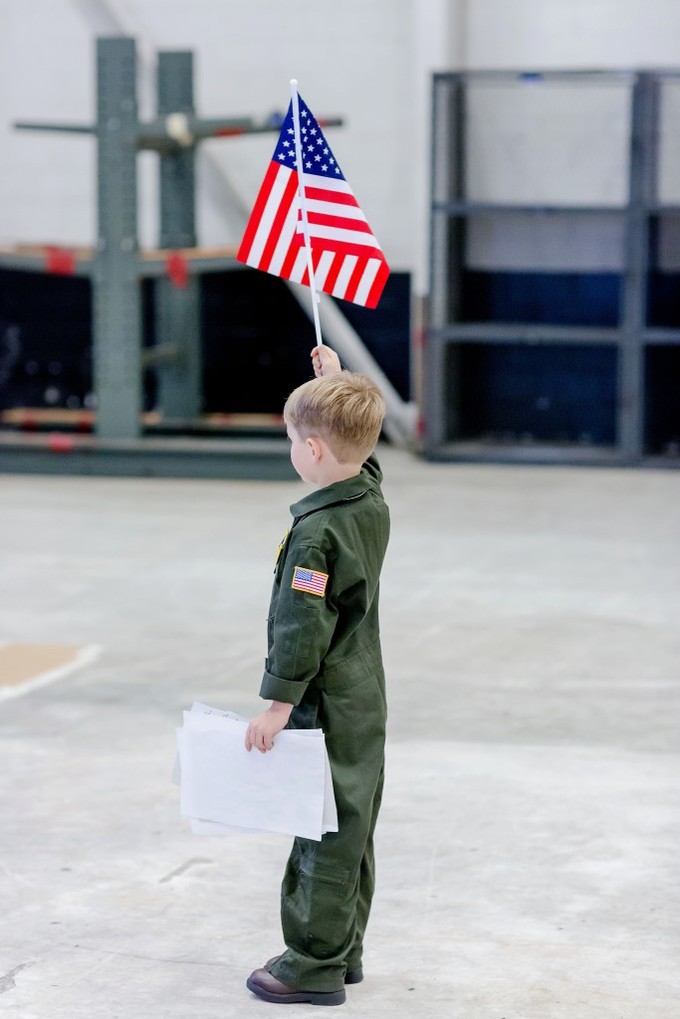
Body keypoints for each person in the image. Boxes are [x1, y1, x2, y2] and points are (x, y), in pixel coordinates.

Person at [244, 344, 390, 1007]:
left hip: (325, 699)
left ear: (313, 452)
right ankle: (344, 947)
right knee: (353, 820)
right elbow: (365, 461)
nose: (293, 450)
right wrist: (335, 386)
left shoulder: (316, 535)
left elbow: (302, 628)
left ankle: (310, 962)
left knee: (323, 827)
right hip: (364, 693)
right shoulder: (366, 499)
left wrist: (277, 704)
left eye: (295, 440)